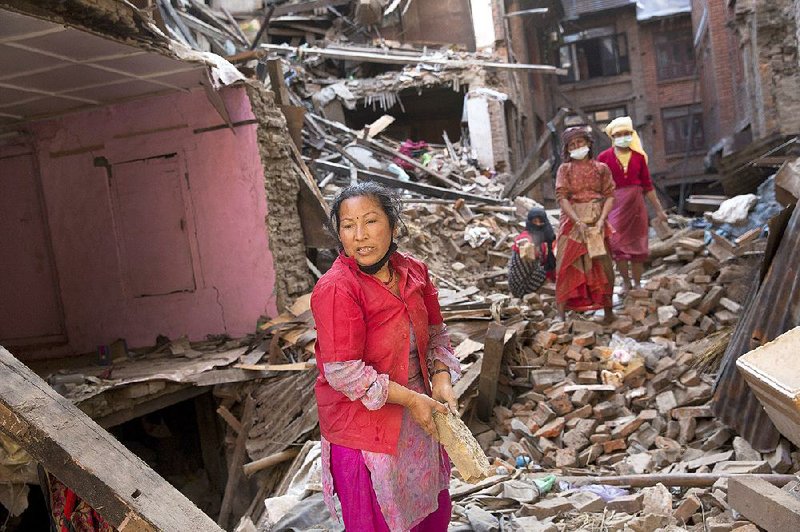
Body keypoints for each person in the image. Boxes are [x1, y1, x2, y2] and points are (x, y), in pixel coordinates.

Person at [310, 182, 461, 532]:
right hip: (364, 428)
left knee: (427, 517)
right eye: (348, 226)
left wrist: (440, 378)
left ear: (392, 225)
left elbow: (437, 333)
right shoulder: (337, 288)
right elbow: (344, 372)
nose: (360, 235)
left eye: (370, 221)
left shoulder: (415, 272)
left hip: (418, 416)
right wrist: (412, 398)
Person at [597, 116, 668, 293]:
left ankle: (637, 282)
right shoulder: (604, 158)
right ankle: (626, 281)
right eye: (619, 134)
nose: (623, 137)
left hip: (636, 206)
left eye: (627, 133)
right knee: (616, 244)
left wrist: (659, 210)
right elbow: (599, 187)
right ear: (613, 137)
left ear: (632, 134)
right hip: (614, 205)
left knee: (638, 247)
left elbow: (648, 186)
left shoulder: (639, 158)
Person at [554, 126, 616, 322]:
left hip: (597, 219)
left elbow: (610, 196)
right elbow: (562, 197)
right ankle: (562, 315)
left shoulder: (601, 169)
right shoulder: (565, 169)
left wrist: (601, 221)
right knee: (566, 263)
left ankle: (608, 312)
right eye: (572, 145)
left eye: (579, 142)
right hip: (571, 221)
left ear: (588, 144)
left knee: (603, 265)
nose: (576, 147)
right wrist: (577, 221)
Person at [508, 208, 556, 298]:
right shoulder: (525, 237)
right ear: (530, 222)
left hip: (532, 276)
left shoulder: (544, 240)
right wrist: (528, 245)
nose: (538, 224)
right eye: (535, 221)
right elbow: (524, 243)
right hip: (521, 286)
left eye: (541, 222)